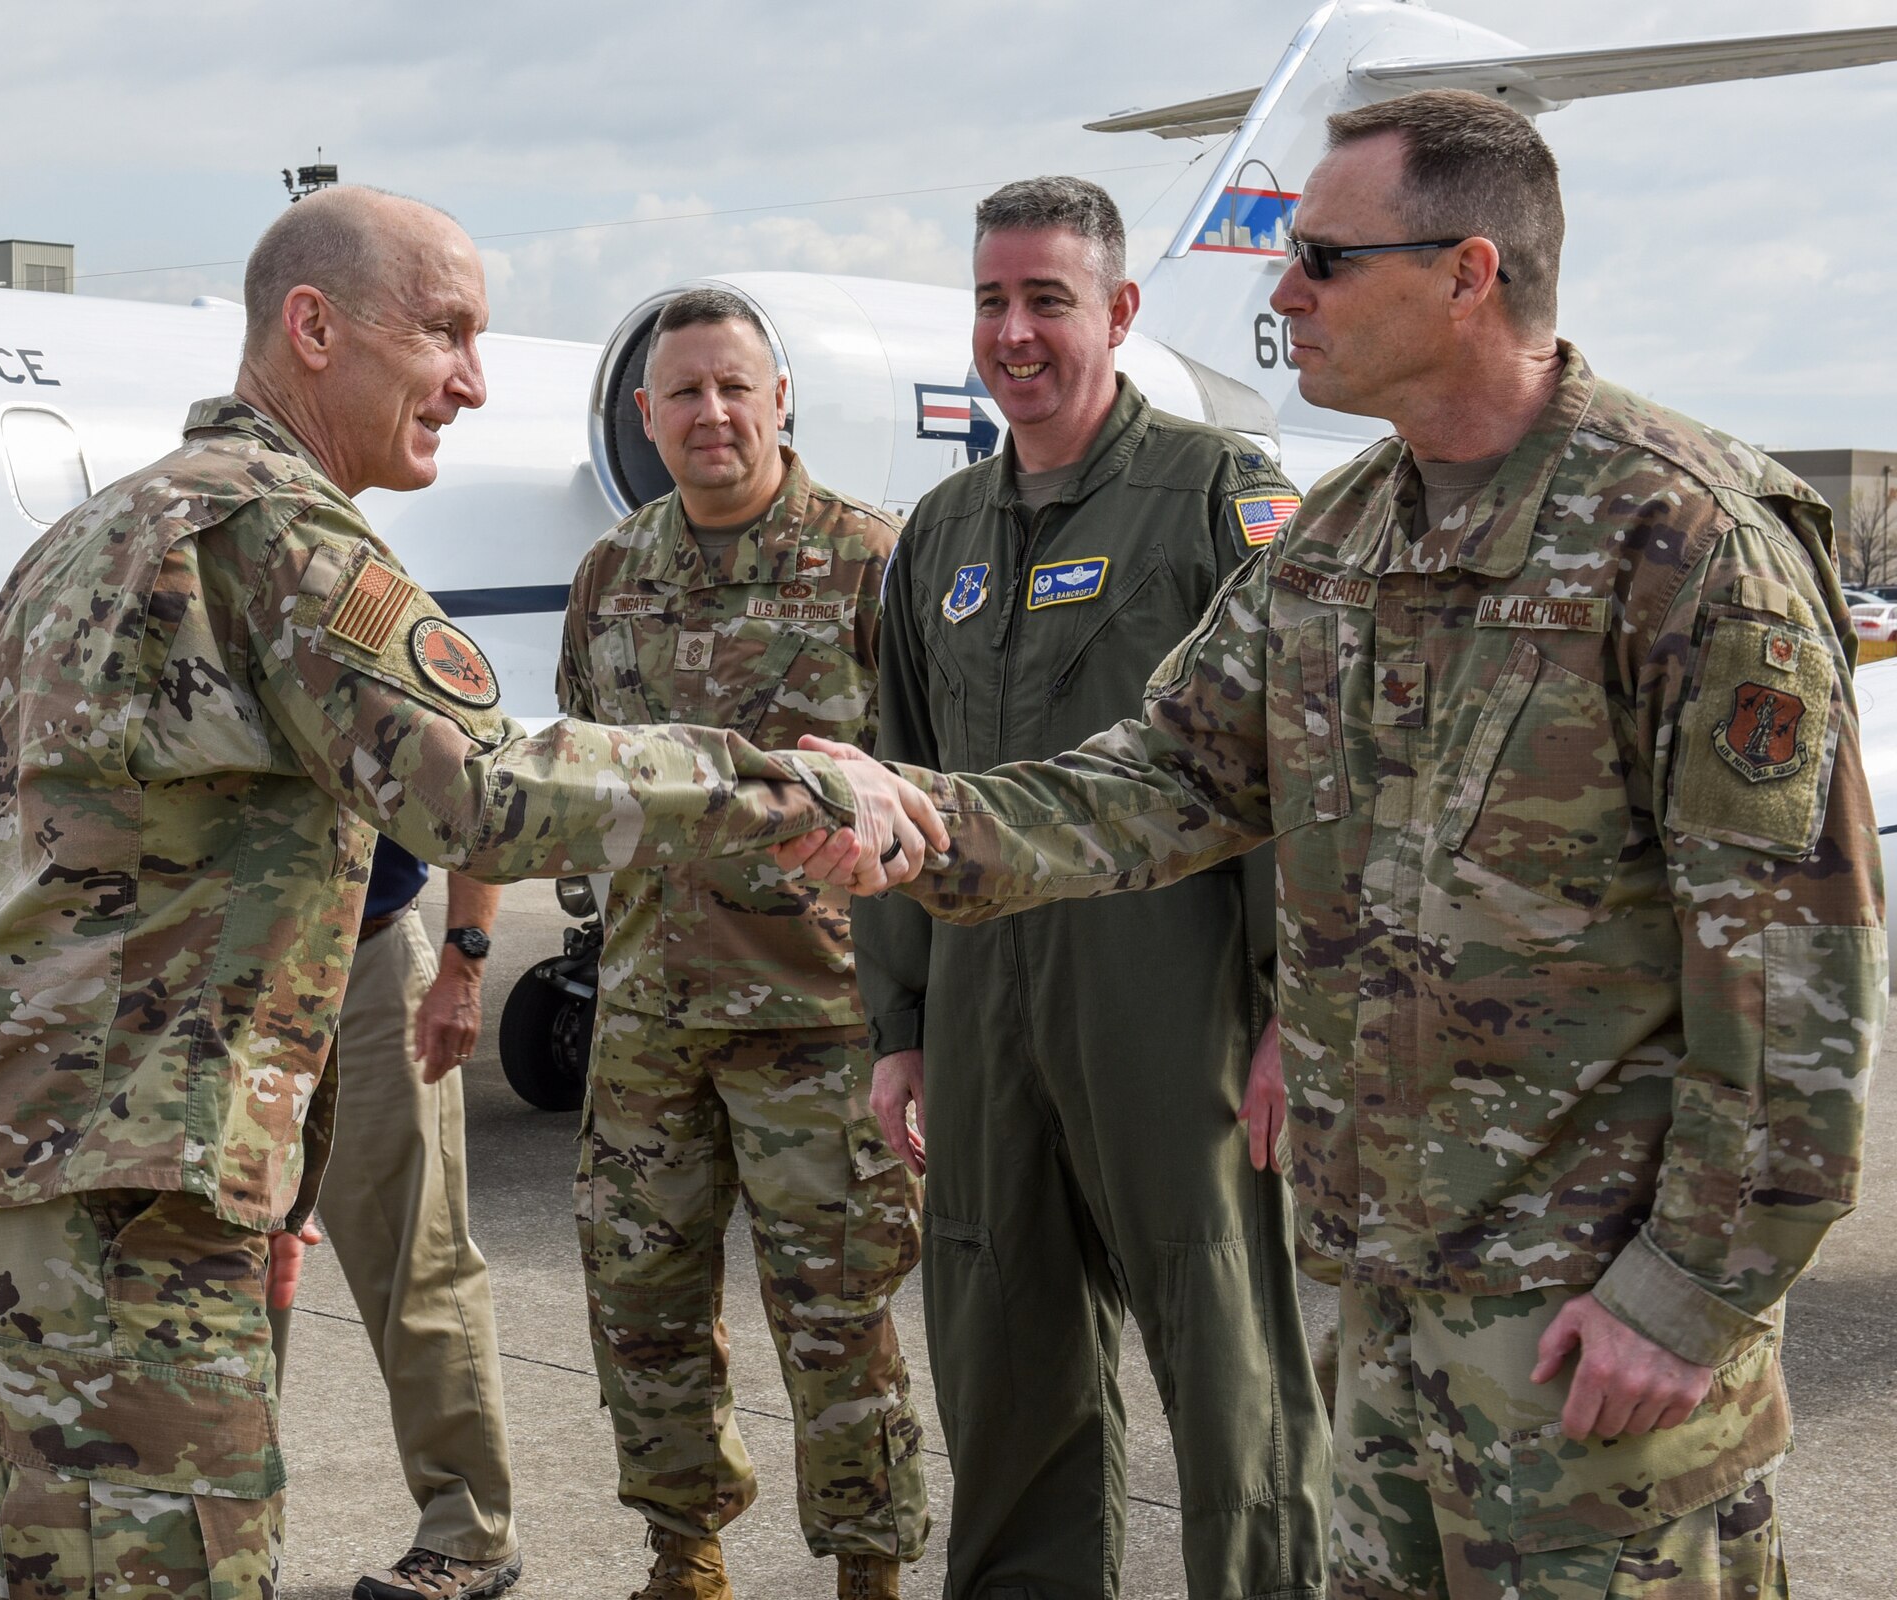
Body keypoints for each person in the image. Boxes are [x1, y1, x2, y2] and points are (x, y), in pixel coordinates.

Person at [789, 91, 1883, 1600]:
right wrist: (921, 826)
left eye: (1321, 256)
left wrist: (1691, 1294)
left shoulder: (1684, 542)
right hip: (1381, 1318)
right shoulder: (1344, 539)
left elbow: (1794, 986)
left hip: (1588, 1352)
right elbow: (1160, 777)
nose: (1282, 291)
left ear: (1467, 274)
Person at [0, 185, 943, 1600]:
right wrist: (796, 785)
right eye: (445, 331)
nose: (471, 379)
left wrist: (284, 1161)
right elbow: (490, 789)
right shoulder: (279, 540)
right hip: (136, 1194)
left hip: (27, 1167)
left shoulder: (94, 537)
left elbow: (129, 877)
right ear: (315, 327)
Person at [852, 176, 1330, 1600]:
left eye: (1047, 299)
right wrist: (901, 1023)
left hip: (1171, 998)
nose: (1015, 332)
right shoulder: (937, 535)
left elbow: (1304, 771)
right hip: (986, 1007)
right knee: (1000, 1362)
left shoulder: (1218, 498)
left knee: (1228, 1368)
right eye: (993, 300)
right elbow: (902, 780)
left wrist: (1292, 1013)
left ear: (1118, 312)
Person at [560, 288, 928, 1600]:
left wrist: (924, 1024)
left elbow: (944, 795)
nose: (711, 414)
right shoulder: (612, 577)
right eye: (684, 394)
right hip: (651, 1025)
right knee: (642, 1320)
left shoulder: (875, 565)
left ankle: (872, 1576)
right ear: (648, 418)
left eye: (735, 387)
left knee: (841, 1332)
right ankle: (684, 1560)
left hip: (823, 1029)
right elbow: (580, 765)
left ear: (781, 400)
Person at [268, 840, 523, 1600]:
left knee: (415, 1256)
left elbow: (482, 798)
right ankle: (218, 1532)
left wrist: (464, 962)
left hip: (365, 960)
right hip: (206, 974)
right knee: (221, 1263)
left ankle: (468, 1531)